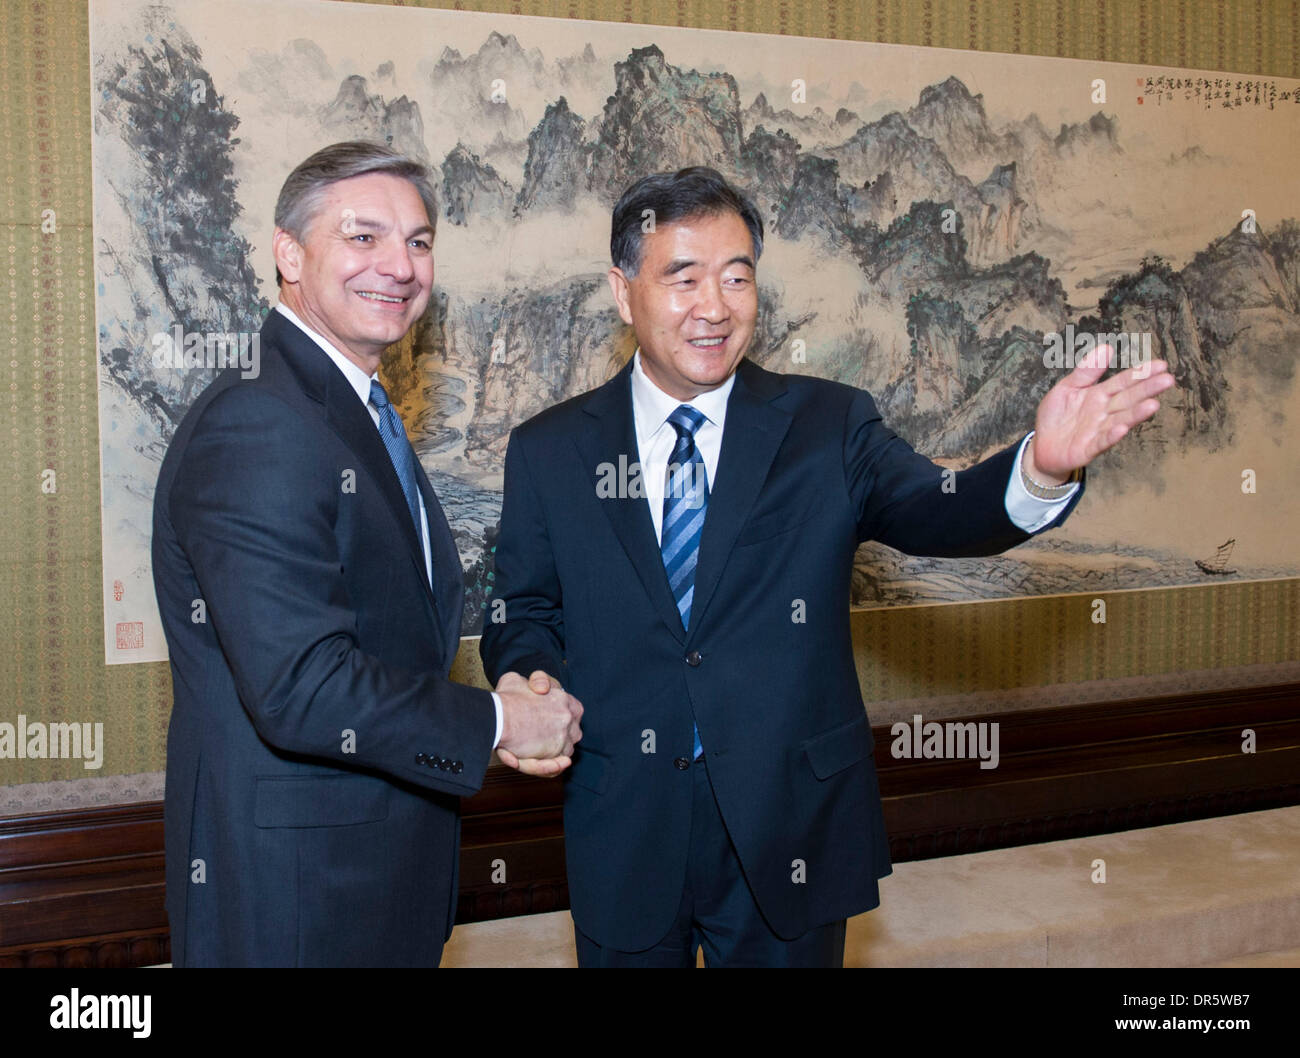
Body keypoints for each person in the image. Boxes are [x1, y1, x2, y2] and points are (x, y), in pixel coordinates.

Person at [479, 166, 1174, 967]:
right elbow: (523, 608)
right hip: (623, 819)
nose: (716, 306)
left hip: (791, 822)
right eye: (685, 278)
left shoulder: (826, 425)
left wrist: (1039, 469)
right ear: (621, 288)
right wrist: (526, 679)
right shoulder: (551, 448)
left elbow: (937, 506)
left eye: (737, 277)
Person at [152, 141, 581, 967]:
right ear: (288, 252)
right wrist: (499, 720)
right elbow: (299, 685)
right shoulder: (260, 422)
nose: (399, 265)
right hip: (296, 896)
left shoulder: (355, 409)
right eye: (364, 237)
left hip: (375, 876)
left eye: (418, 241)